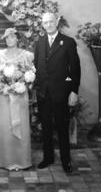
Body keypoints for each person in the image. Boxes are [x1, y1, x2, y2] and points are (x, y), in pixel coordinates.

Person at [34, 12, 81, 173]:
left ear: (56, 22)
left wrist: (73, 91)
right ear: (42, 24)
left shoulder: (68, 42)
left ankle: (66, 160)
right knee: (45, 127)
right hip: (43, 93)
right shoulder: (39, 42)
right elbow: (37, 66)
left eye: (51, 21)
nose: (48, 25)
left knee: (62, 127)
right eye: (45, 22)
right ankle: (48, 158)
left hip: (61, 93)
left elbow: (74, 68)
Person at [0, 28, 35, 171]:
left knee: (21, 126)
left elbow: (31, 75)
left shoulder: (26, 55)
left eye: (12, 37)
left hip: (20, 96)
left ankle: (23, 161)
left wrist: (23, 83)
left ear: (17, 39)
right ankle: (7, 160)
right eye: (7, 38)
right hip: (6, 96)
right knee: (6, 127)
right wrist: (1, 85)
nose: (9, 40)